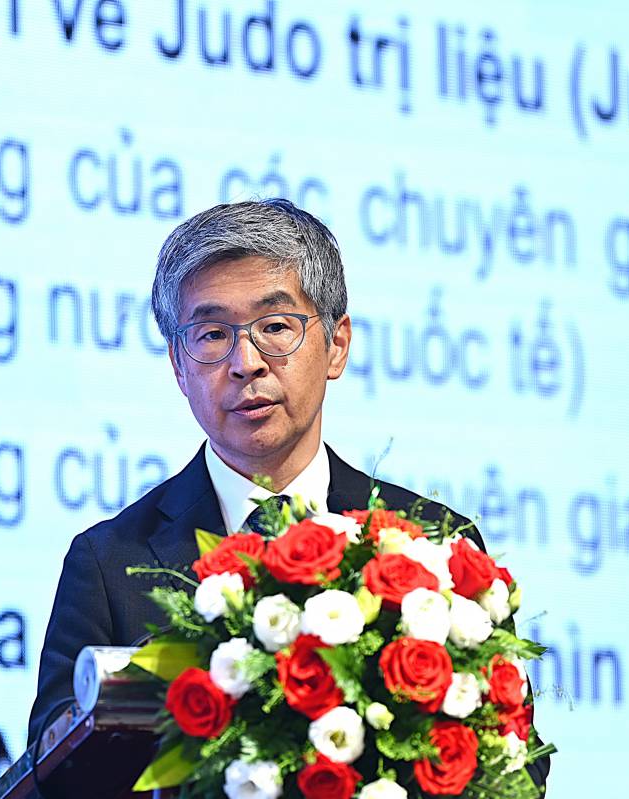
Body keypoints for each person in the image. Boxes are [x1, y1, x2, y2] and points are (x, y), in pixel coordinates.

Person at [27, 199, 550, 789]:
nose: (246, 363)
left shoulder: (431, 542)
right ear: (178, 366)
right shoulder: (110, 562)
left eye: (275, 327)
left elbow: (516, 760)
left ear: (337, 344)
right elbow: (55, 775)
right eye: (212, 335)